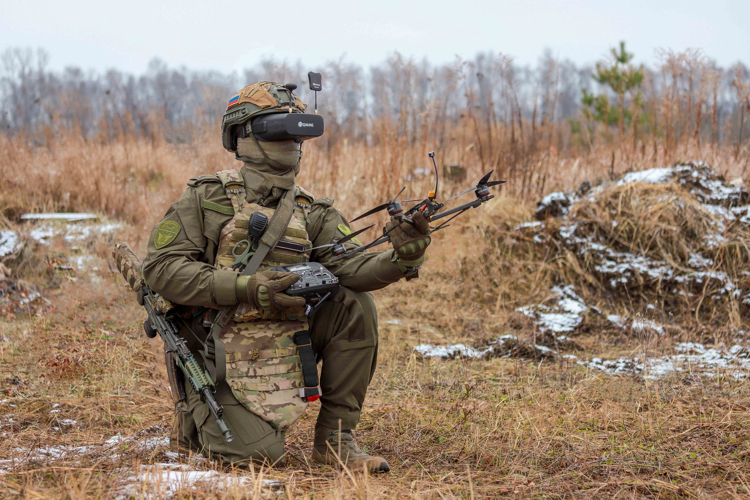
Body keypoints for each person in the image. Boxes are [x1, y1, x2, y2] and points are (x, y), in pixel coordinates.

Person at [141, 81, 431, 472]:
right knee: (257, 458)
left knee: (355, 305)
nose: (292, 142)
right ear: (242, 136)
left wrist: (400, 259)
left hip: (287, 335)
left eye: (299, 131)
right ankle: (196, 415)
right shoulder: (206, 199)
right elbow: (162, 268)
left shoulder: (314, 212)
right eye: (279, 129)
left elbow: (351, 270)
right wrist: (245, 287)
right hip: (219, 345)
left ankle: (336, 442)